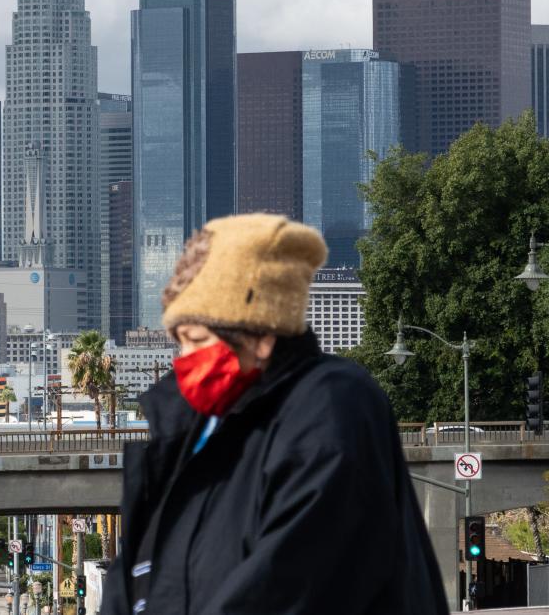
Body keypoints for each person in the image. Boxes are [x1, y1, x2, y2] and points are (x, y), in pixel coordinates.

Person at [102, 214, 448, 615]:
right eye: (178, 341)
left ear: (261, 336)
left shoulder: (332, 406)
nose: (183, 361)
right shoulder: (190, 430)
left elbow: (291, 581)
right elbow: (136, 574)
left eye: (197, 340)